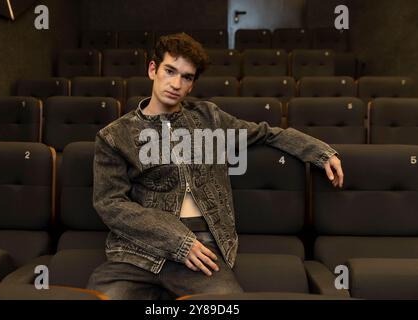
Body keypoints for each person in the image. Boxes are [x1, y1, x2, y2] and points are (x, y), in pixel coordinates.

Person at [87, 33, 344, 299]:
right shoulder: (115, 136)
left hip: (202, 250)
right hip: (137, 252)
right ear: (153, 70)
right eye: (170, 71)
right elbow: (110, 203)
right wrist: (177, 241)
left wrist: (320, 152)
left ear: (191, 85)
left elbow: (267, 133)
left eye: (186, 77)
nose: (176, 83)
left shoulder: (208, 118)